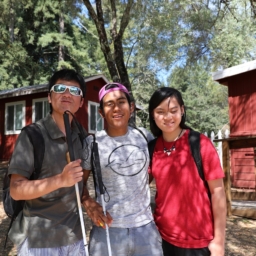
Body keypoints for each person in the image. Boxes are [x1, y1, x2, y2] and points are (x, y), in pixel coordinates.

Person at [8, 69, 87, 255]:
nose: (67, 94)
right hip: (39, 240)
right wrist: (60, 180)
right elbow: (16, 190)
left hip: (75, 237)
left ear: (82, 102)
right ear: (50, 97)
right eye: (60, 88)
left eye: (75, 91)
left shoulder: (82, 136)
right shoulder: (32, 135)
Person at [81, 83, 163, 256]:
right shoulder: (93, 143)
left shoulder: (144, 137)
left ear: (131, 107)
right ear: (101, 112)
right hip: (108, 231)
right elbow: (79, 185)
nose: (116, 108)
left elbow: (150, 174)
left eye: (121, 102)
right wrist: (88, 202)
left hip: (145, 230)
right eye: (109, 104)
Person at [148, 87, 226, 256]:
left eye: (173, 110)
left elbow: (218, 192)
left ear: (182, 110)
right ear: (153, 115)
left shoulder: (200, 143)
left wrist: (219, 241)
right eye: (160, 112)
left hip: (198, 242)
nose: (167, 117)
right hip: (160, 238)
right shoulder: (151, 149)